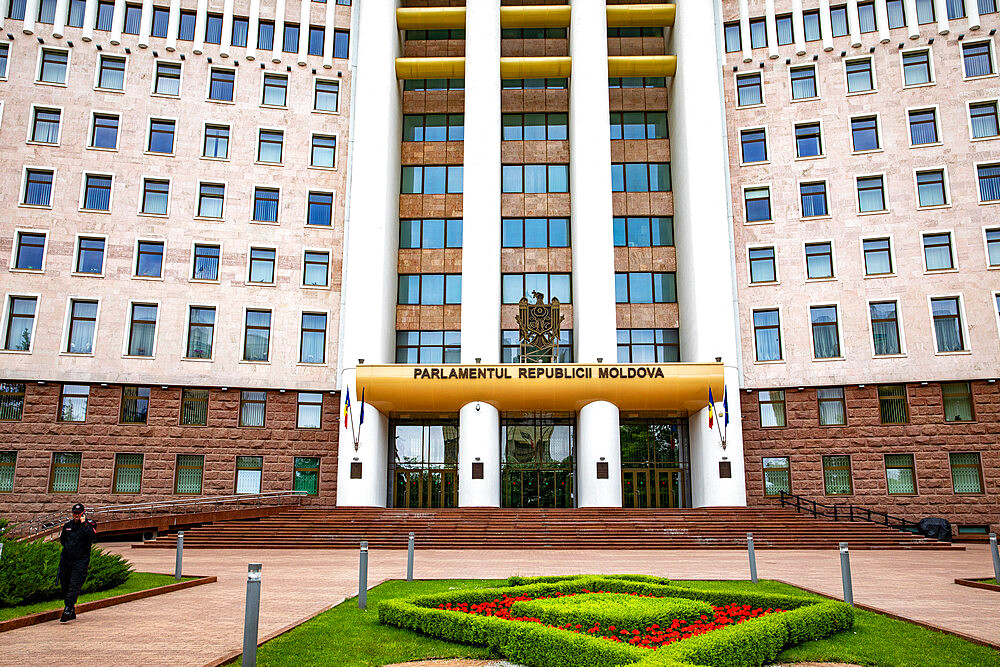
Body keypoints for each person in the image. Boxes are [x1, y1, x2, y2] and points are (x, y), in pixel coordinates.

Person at [58, 503, 97, 623]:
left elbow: (92, 536)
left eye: (79, 513)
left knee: (74, 585)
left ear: (83, 513)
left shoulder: (89, 524)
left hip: (81, 560)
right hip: (66, 560)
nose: (76, 515)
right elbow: (63, 540)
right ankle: (71, 609)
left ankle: (68, 608)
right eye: (74, 513)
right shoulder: (68, 526)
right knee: (65, 585)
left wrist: (84, 523)